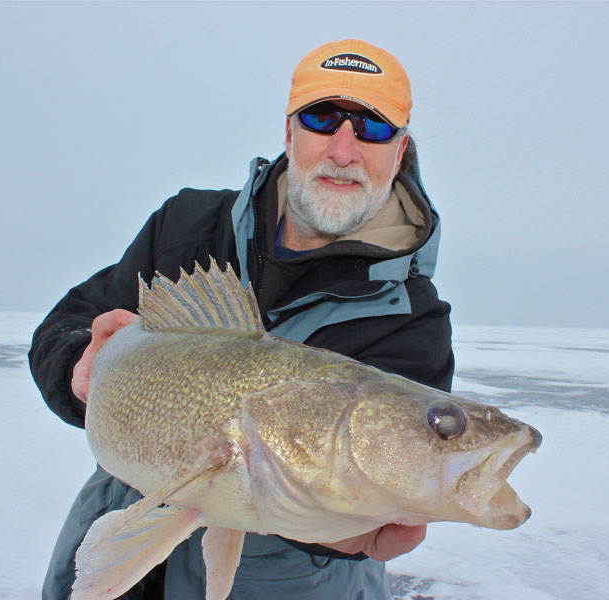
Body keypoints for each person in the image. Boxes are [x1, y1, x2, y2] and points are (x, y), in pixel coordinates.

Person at [29, 39, 454, 600]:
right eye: (323, 118)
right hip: (120, 554)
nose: (344, 149)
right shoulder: (188, 225)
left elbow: (366, 481)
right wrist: (79, 363)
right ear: (289, 132)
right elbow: (67, 326)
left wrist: (345, 534)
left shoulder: (411, 320)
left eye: (372, 128)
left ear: (398, 151)